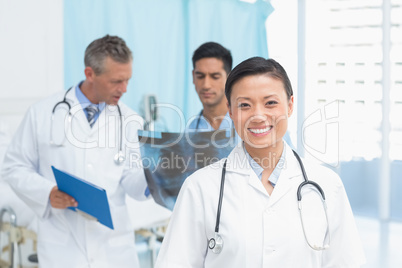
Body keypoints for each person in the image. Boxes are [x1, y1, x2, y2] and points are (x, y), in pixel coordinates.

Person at [155, 57, 365, 267]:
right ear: (230, 110)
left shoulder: (327, 185)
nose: (257, 116)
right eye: (244, 105)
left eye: (270, 103)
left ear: (290, 105)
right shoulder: (200, 188)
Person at [1, 35, 148, 268]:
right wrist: (47, 192)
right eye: (116, 81)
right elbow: (13, 167)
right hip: (63, 246)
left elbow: (131, 177)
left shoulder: (130, 120)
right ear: (90, 74)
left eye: (127, 80)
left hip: (114, 248)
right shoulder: (42, 114)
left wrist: (155, 180)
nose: (125, 89)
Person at [187, 42, 234, 132]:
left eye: (215, 77)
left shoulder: (246, 123)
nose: (206, 85)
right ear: (193, 76)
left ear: (229, 78)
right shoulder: (190, 131)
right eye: (200, 76)